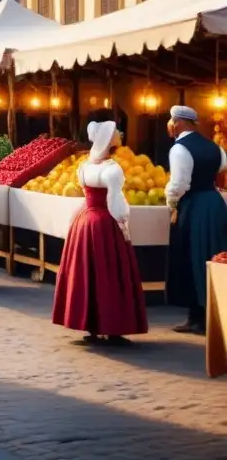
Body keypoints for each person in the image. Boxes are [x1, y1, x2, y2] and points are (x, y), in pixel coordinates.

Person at [51, 120, 147, 345]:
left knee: (87, 273)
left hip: (84, 221)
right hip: (104, 222)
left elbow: (87, 194)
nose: (119, 135)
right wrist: (123, 223)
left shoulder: (84, 166)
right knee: (110, 274)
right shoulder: (112, 170)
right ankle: (112, 328)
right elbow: (116, 202)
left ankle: (91, 325)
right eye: (115, 133)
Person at [165, 105, 227, 335]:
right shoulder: (214, 147)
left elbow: (179, 185)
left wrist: (171, 204)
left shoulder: (179, 149)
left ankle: (198, 317)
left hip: (194, 206)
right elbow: (222, 166)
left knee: (192, 258)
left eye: (170, 121)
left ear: (178, 122)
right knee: (213, 256)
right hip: (214, 204)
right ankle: (213, 314)